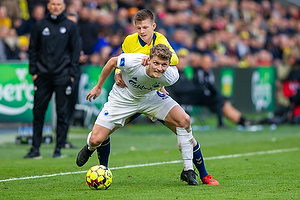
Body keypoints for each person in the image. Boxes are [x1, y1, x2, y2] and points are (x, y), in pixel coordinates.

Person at [96, 9, 219, 185]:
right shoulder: (129, 40)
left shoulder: (160, 40)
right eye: (138, 27)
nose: (142, 31)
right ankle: (102, 171)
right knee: (101, 134)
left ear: (153, 26)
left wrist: (150, 59)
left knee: (183, 126)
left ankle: (203, 174)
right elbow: (121, 61)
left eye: (145, 27)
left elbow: (173, 59)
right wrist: (117, 72)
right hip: (130, 96)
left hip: (152, 95)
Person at [76, 44, 198, 185]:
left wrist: (161, 87)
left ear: (169, 64)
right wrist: (98, 87)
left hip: (150, 98)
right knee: (95, 139)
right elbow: (112, 62)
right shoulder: (134, 61)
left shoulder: (172, 76)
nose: (159, 68)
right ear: (148, 59)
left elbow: (161, 78)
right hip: (123, 98)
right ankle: (90, 148)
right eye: (156, 63)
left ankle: (188, 170)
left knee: (184, 120)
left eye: (164, 65)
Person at [24, 0, 81, 158]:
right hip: (42, 76)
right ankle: (35, 149)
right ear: (48, 6)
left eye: (59, 4)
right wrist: (33, 71)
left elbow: (75, 51)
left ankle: (58, 149)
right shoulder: (40, 25)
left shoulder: (70, 26)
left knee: (62, 113)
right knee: (38, 112)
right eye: (53, 4)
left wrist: (71, 73)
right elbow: (33, 49)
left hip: (62, 76)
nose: (56, 7)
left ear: (63, 6)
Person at [169, 52, 251, 128]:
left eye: (183, 62)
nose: (182, 64)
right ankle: (231, 121)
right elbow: (180, 89)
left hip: (193, 97)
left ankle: (241, 120)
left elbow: (191, 87)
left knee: (219, 100)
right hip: (187, 99)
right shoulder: (177, 74)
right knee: (218, 100)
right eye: (180, 62)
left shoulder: (182, 73)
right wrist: (197, 89)